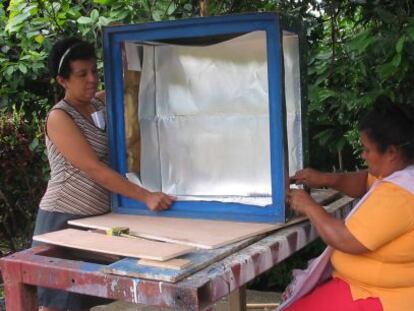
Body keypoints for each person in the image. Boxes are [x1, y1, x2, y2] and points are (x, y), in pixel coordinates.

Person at [32, 37, 175, 311]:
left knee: (83, 296)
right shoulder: (60, 117)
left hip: (95, 221)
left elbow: (129, 87)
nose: (91, 79)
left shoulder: (99, 105)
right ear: (62, 81)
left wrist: (130, 54)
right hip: (62, 220)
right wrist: (145, 196)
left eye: (94, 71)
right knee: (57, 303)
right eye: (81, 74)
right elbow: (94, 169)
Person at [279, 95, 414, 311]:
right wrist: (327, 179)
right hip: (361, 286)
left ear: (391, 152)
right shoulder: (399, 174)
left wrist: (309, 206)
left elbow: (346, 239)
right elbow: (365, 181)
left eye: (367, 150)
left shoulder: (400, 196)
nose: (363, 155)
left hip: (381, 297)